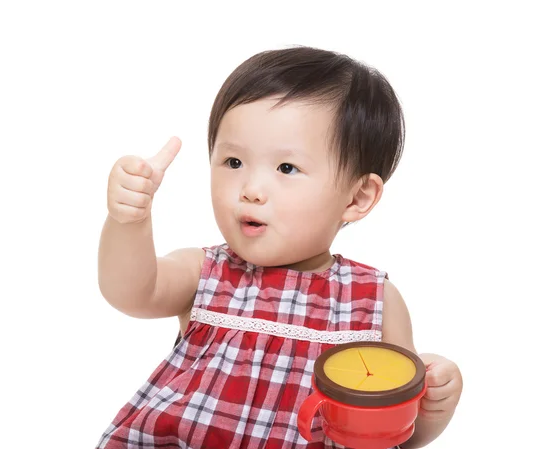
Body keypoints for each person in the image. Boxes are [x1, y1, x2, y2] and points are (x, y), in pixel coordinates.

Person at [96, 46, 463, 448]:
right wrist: (127, 222)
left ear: (357, 198)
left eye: (286, 168)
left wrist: (432, 409)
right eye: (233, 162)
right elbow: (132, 291)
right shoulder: (206, 271)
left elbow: (391, 428)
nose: (251, 190)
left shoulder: (373, 299)